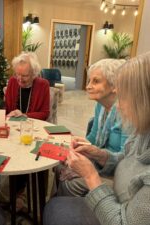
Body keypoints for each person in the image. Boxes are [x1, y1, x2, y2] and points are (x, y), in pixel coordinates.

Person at [43, 52, 150, 225]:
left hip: (116, 202)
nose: (119, 104)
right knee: (61, 173)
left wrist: (90, 175)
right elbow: (125, 158)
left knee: (63, 190)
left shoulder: (131, 122)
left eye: (124, 97)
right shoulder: (143, 133)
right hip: (115, 187)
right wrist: (98, 154)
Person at [56, 58, 129, 197]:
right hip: (100, 161)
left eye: (96, 81)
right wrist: (79, 143)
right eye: (89, 81)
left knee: (70, 181)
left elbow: (128, 160)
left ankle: (66, 210)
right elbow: (92, 139)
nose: (88, 86)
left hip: (116, 173)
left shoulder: (128, 113)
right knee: (60, 162)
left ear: (115, 85)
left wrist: (98, 154)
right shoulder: (100, 106)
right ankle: (58, 207)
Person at [5, 52, 50, 120]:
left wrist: (24, 115)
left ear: (33, 73)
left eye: (24, 76)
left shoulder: (43, 85)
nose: (20, 79)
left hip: (33, 126)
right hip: (13, 126)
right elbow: (6, 106)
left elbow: (44, 113)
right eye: (17, 74)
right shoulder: (12, 81)